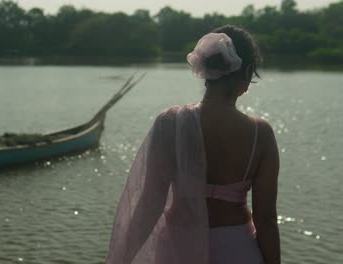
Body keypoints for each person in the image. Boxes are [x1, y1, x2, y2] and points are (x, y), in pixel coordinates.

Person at [106, 25, 280, 264]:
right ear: (248, 71)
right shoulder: (262, 133)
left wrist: (122, 258)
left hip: (178, 247)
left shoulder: (171, 123)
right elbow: (266, 218)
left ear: (204, 68)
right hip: (237, 246)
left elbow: (150, 204)